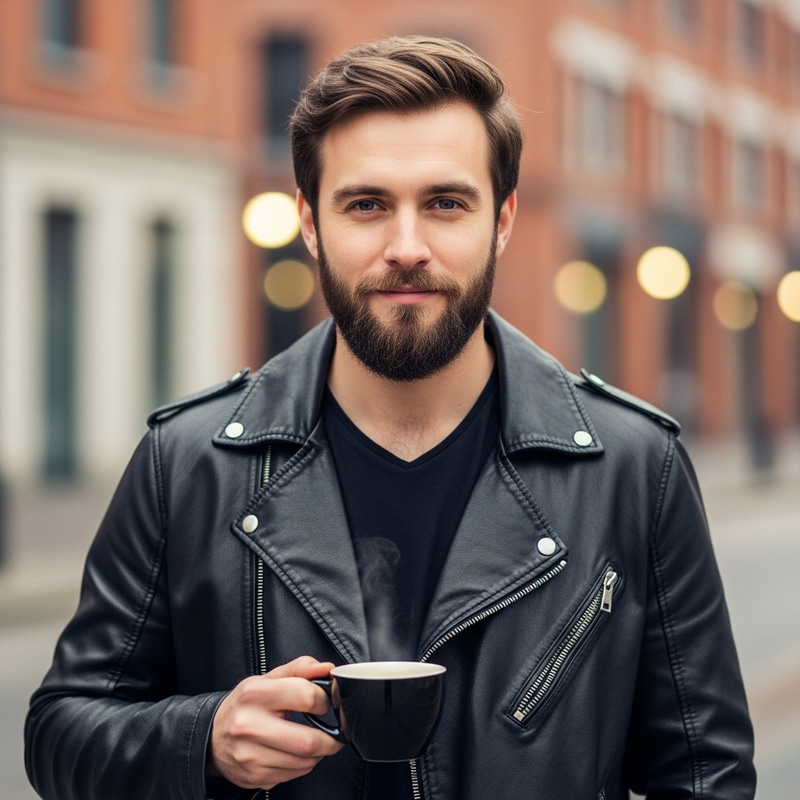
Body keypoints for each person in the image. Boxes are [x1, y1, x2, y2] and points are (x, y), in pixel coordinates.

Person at [25, 35, 755, 800]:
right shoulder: (187, 463)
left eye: (445, 203)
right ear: (309, 222)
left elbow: (704, 776)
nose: (407, 248)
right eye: (367, 204)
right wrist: (203, 739)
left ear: (502, 220)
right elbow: (60, 733)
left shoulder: (636, 469)